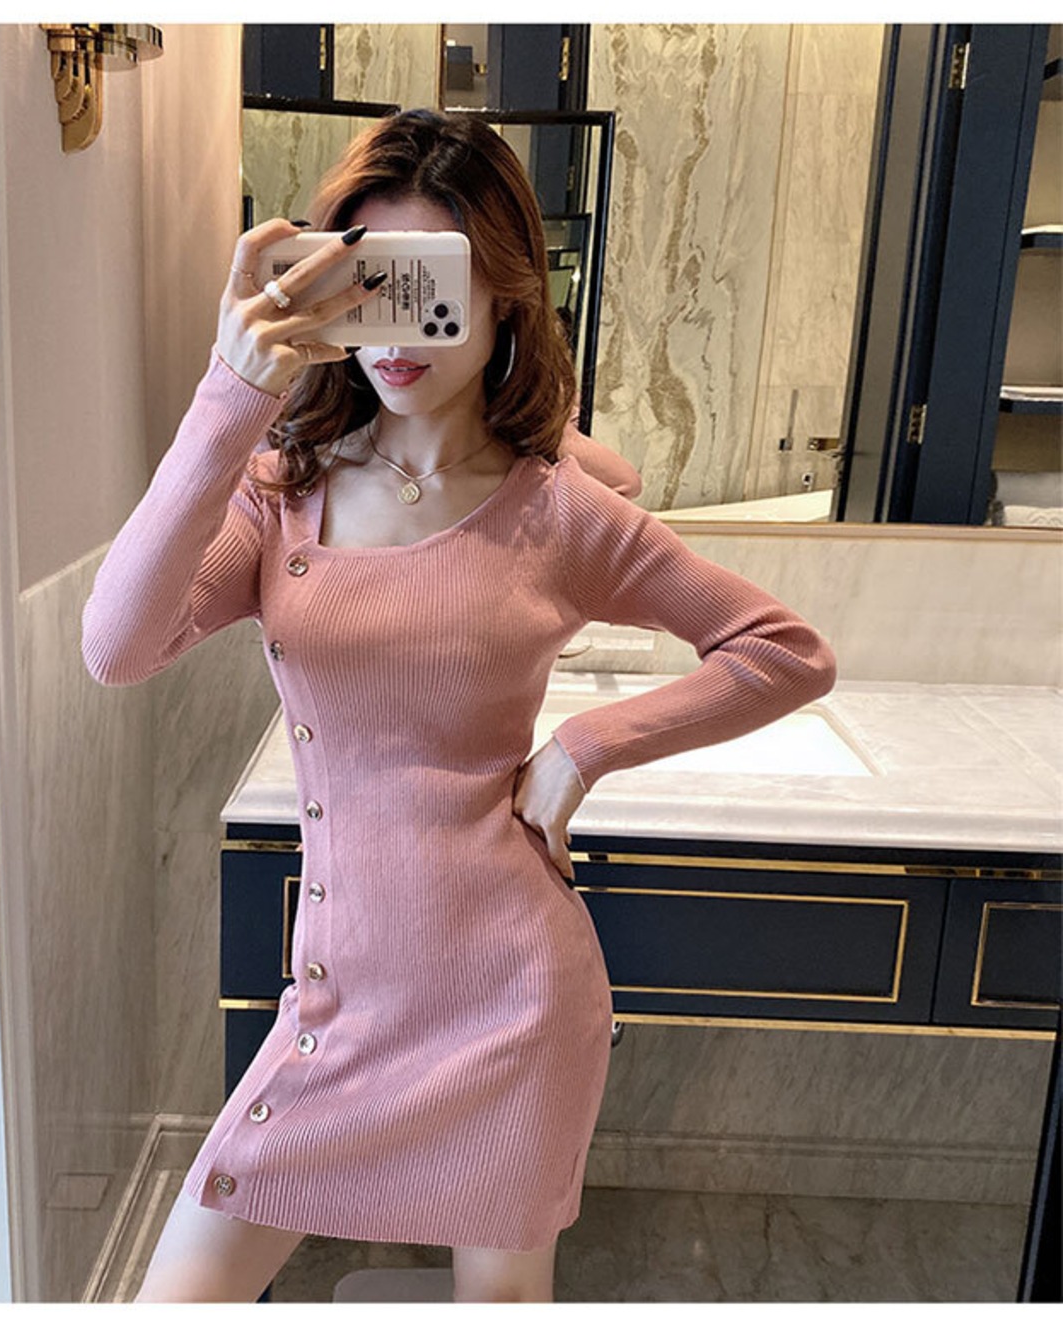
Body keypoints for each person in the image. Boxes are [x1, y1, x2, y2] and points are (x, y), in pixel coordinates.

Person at [81, 108, 836, 1303]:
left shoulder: (559, 509)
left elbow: (782, 650)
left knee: (500, 1309)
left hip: (511, 999)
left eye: (427, 280)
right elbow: (117, 648)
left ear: (502, 291)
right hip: (339, 1007)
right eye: (363, 279)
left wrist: (582, 747)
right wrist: (231, 393)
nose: (394, 326)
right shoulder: (282, 492)